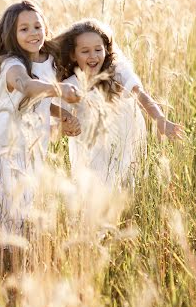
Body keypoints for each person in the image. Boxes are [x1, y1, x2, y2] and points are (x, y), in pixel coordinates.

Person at [0, 0, 80, 234]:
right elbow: (25, 86)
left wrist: (62, 113)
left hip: (32, 145)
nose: (33, 33)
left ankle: (20, 262)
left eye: (37, 26)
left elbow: (38, 102)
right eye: (24, 29)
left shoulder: (48, 62)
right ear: (11, 36)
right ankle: (9, 261)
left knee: (26, 208)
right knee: (10, 214)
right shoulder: (11, 65)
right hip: (2, 147)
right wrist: (59, 90)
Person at [54, 19, 183, 189]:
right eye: (85, 51)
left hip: (124, 137)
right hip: (91, 143)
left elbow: (140, 94)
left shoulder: (117, 72)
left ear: (106, 50)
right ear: (73, 55)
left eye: (98, 50)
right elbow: (58, 114)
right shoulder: (71, 84)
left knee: (125, 184)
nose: (93, 56)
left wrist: (159, 118)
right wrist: (65, 124)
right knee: (95, 186)